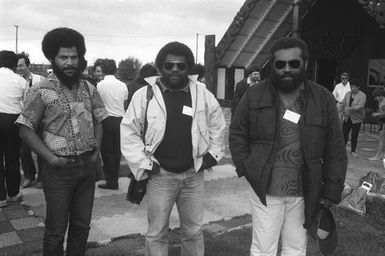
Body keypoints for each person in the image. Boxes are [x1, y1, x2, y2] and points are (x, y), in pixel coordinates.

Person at [229, 37, 347, 256]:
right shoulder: (254, 94)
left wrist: (332, 188)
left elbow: (335, 149)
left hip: (305, 190)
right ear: (272, 65)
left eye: (293, 64)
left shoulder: (323, 98)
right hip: (265, 189)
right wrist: (247, 167)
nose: (286, 69)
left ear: (305, 64)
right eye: (280, 64)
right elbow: (237, 134)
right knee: (263, 249)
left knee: (295, 248)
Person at [121, 41, 226, 256]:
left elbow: (218, 125)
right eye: (169, 65)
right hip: (160, 176)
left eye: (181, 65)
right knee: (157, 232)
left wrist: (211, 158)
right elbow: (129, 131)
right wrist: (146, 165)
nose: (175, 70)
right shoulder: (145, 95)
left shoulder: (203, 94)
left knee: (194, 232)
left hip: (193, 175)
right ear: (161, 67)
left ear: (188, 67)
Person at [16, 27, 108, 255]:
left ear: (81, 57)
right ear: (52, 58)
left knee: (81, 226)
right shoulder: (41, 90)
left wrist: (96, 154)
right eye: (63, 57)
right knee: (56, 230)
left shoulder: (89, 88)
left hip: (87, 167)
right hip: (58, 171)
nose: (69, 62)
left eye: (74, 57)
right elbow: (25, 129)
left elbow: (99, 120)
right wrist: (51, 160)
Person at [0, 50, 27, 208]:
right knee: (12, 157)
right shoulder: (20, 80)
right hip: (12, 120)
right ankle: (13, 193)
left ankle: (0, 198)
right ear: (13, 64)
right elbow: (27, 104)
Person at [97, 59, 128, 189]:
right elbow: (125, 102)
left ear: (103, 70)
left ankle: (111, 181)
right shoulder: (122, 85)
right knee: (117, 152)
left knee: (107, 152)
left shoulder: (100, 85)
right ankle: (114, 179)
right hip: (120, 120)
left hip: (107, 120)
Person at [16, 53, 45, 188]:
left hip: (41, 121)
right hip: (25, 121)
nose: (19, 68)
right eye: (17, 66)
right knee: (23, 151)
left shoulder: (40, 80)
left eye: (21, 65)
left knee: (41, 150)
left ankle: (41, 178)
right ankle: (29, 175)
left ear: (29, 66)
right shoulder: (16, 81)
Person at [341, 79, 366, 158]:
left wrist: (350, 109)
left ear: (358, 87)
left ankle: (353, 151)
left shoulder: (362, 95)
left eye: (354, 87)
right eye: (351, 87)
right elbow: (343, 103)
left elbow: (361, 106)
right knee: (344, 134)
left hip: (357, 119)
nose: (352, 88)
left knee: (354, 135)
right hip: (347, 117)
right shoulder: (348, 94)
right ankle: (342, 150)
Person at [367, 88, 385, 160]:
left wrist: (377, 114)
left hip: (383, 120)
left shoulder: (383, 103)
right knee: (382, 138)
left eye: (376, 97)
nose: (375, 99)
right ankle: (382, 154)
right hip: (382, 120)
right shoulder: (381, 101)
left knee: (382, 139)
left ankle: (377, 156)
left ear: (380, 95)